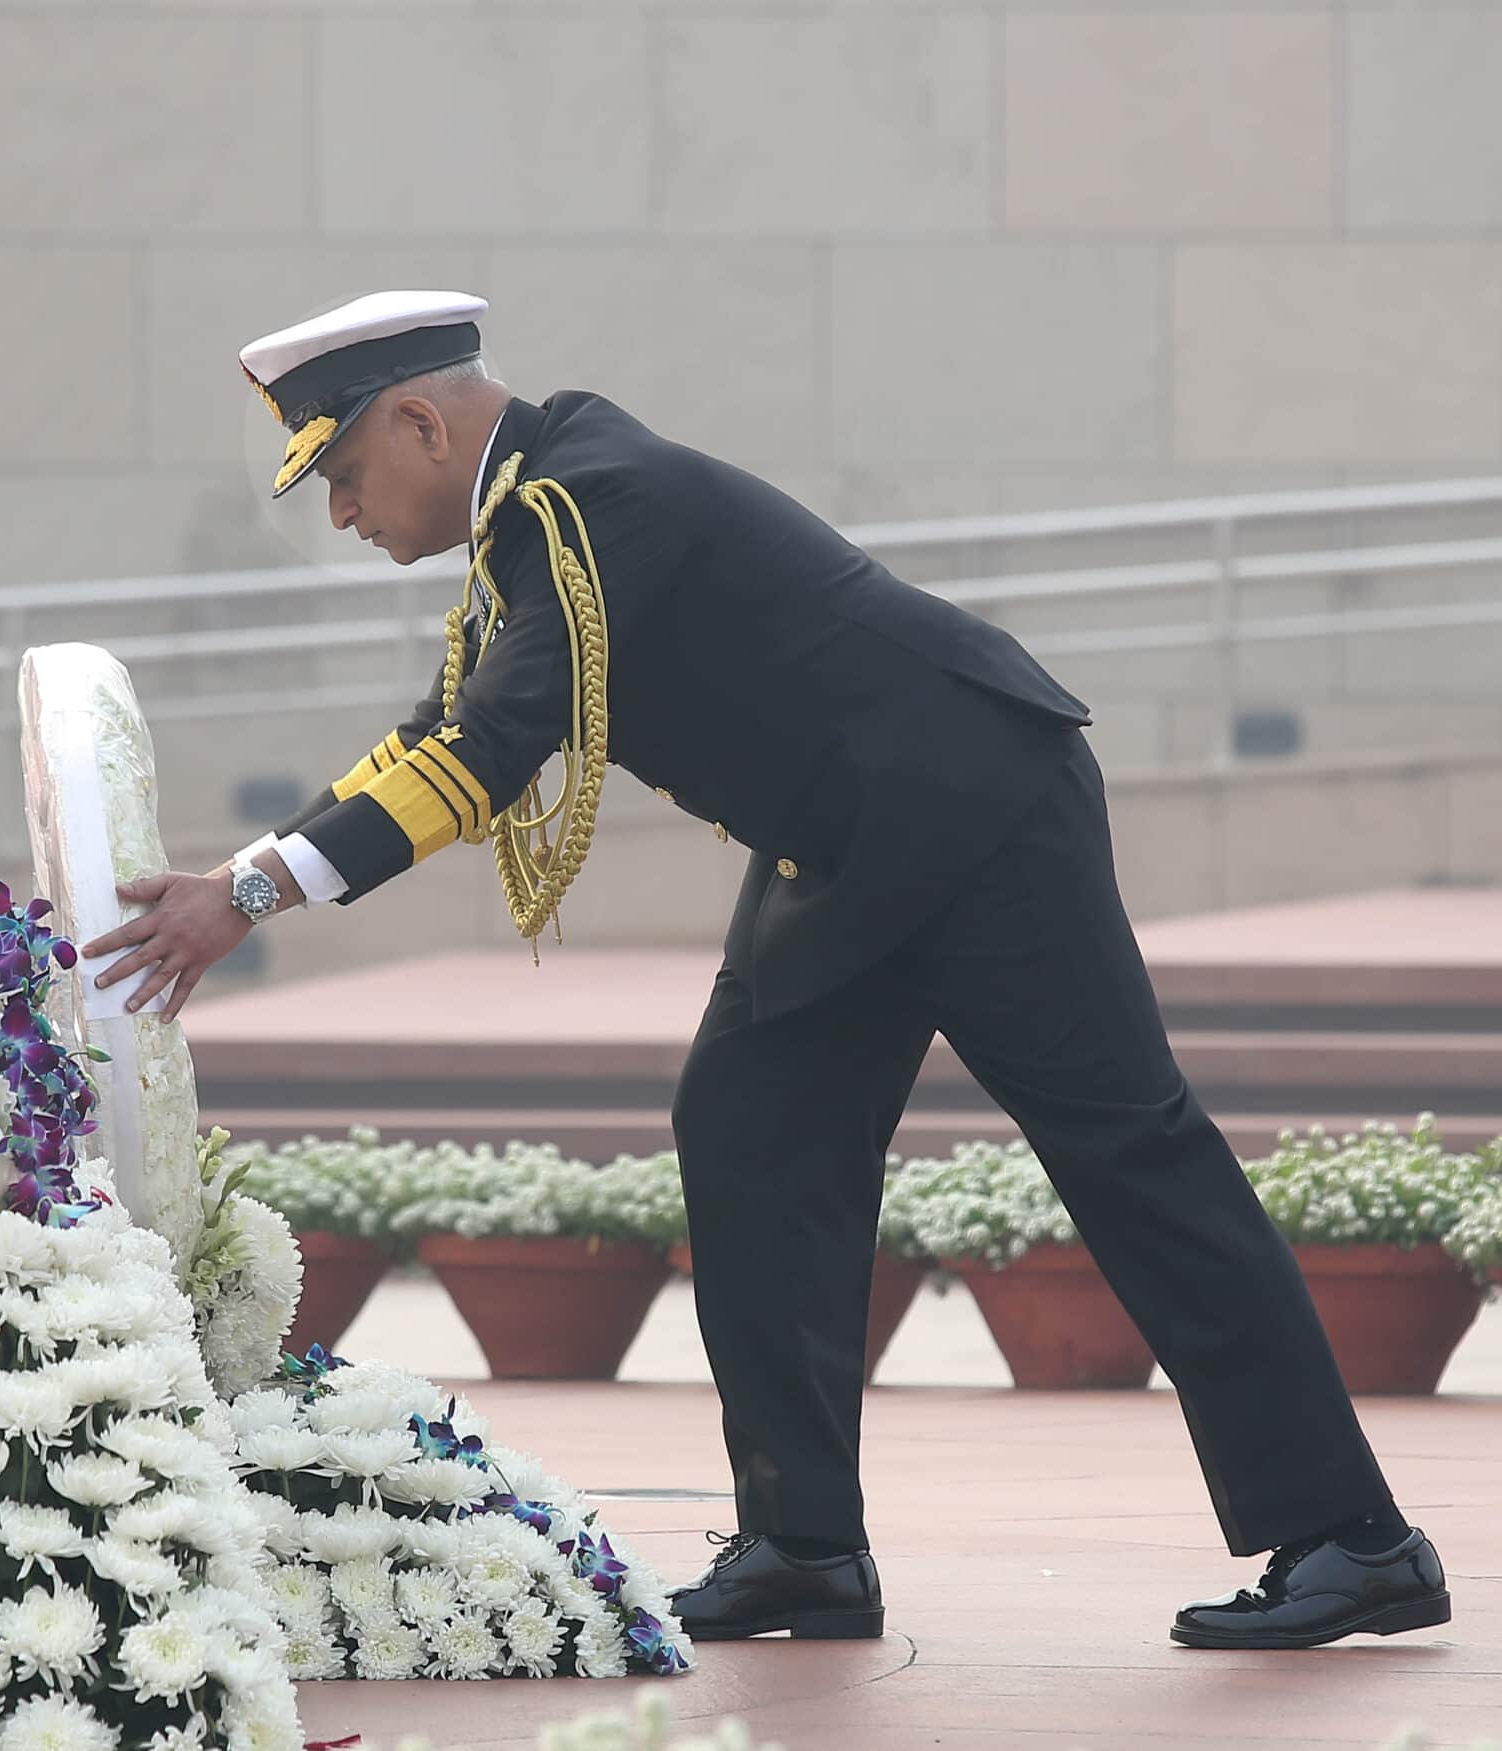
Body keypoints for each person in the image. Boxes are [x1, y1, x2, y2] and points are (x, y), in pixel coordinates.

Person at [80, 289, 1451, 1650]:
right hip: (850, 845)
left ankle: (1355, 1541)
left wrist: (248, 896)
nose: (342, 513)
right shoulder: (544, 516)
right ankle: (804, 1547)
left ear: (421, 422)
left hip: (974, 808)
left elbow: (486, 756)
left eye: (341, 472)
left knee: (1127, 1148)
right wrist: (250, 872)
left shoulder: (589, 502)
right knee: (750, 1132)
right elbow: (450, 727)